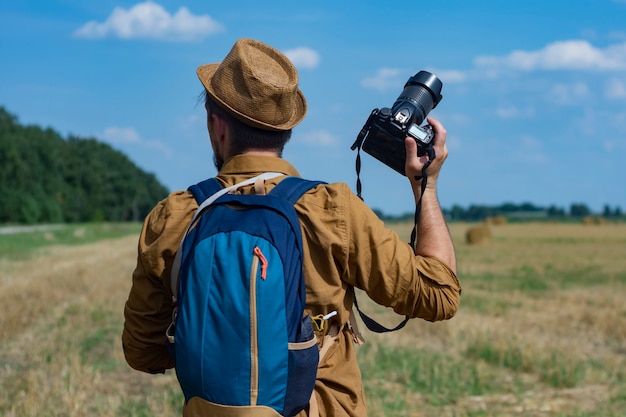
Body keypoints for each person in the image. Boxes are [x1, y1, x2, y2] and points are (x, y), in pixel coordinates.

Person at [122, 37, 461, 417]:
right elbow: (439, 294)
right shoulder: (331, 209)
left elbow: (142, 352)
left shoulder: (174, 216)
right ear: (287, 130)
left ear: (216, 126)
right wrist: (425, 186)